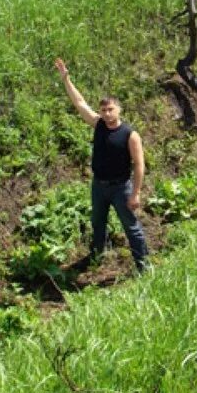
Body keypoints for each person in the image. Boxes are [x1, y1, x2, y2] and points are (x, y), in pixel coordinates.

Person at [55, 58, 150, 272]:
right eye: (104, 110)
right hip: (99, 186)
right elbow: (79, 103)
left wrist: (135, 194)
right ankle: (98, 256)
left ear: (119, 110)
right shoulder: (98, 124)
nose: (107, 113)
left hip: (121, 188)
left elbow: (139, 165)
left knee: (131, 227)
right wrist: (66, 79)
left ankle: (143, 267)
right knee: (97, 223)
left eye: (111, 109)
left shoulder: (130, 134)